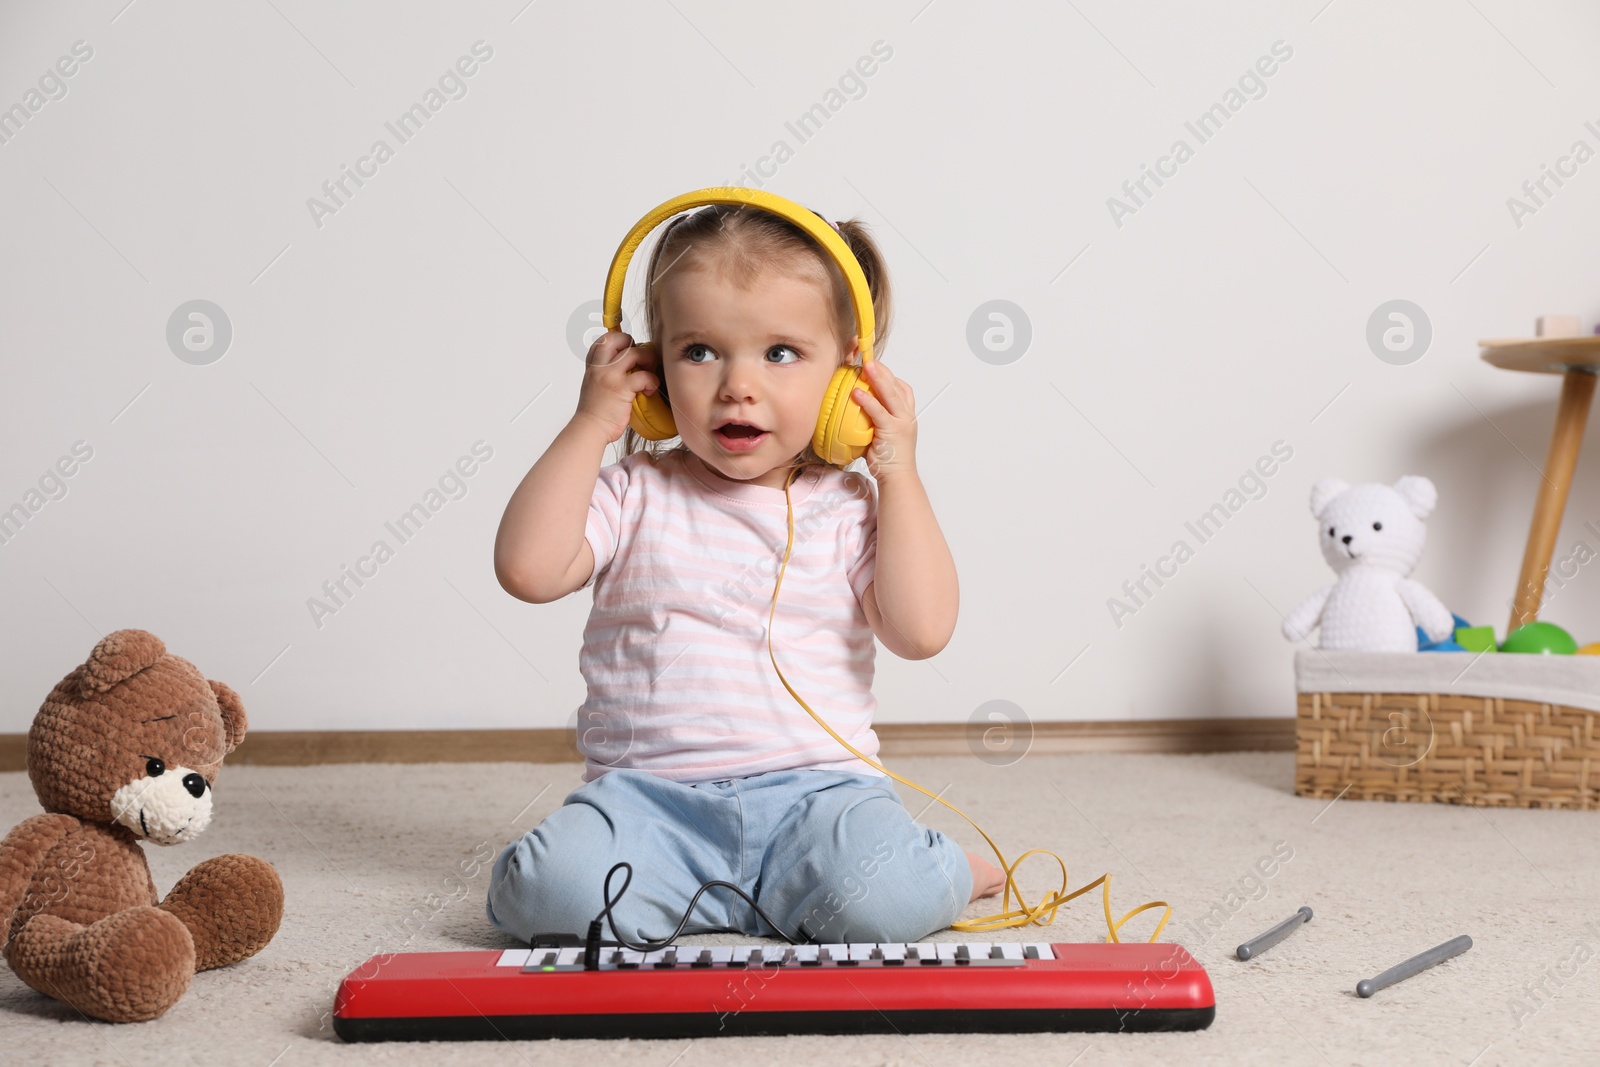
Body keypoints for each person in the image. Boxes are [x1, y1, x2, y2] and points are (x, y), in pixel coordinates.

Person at [485, 202, 1004, 947]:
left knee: (882, 900)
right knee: (549, 896)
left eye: (781, 353)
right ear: (653, 370)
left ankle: (956, 866)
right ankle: (726, 893)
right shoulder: (635, 490)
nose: (737, 385)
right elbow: (527, 570)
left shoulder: (847, 505)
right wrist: (591, 423)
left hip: (821, 801)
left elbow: (922, 631)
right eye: (699, 351)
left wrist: (898, 471)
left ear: (843, 380)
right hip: (649, 805)